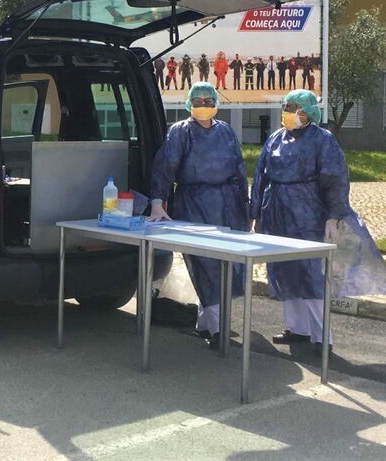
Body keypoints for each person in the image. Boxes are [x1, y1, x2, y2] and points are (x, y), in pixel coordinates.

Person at [149, 82, 249, 348]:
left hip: (227, 204)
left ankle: (206, 323)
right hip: (194, 204)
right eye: (199, 100)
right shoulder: (181, 132)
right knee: (207, 266)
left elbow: (239, 168)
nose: (204, 105)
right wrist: (158, 202)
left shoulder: (225, 131)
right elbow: (164, 167)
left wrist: (245, 207)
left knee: (226, 264)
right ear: (189, 103)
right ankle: (218, 329)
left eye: (208, 100)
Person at [249, 90, 347, 355]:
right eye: (287, 107)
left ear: (310, 112)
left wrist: (335, 214)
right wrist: (255, 212)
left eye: (296, 107)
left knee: (311, 273)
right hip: (277, 212)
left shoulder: (322, 140)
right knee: (284, 270)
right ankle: (297, 329)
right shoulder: (275, 139)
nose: (291, 112)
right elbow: (260, 177)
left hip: (308, 213)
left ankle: (322, 336)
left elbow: (335, 178)